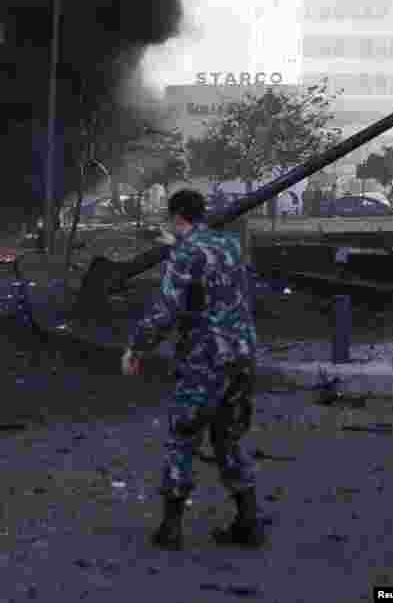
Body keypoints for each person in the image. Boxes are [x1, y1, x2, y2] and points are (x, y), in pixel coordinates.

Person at [120, 188, 266, 551]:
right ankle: (249, 521)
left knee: (183, 438)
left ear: (177, 217)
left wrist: (137, 347)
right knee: (228, 438)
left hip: (204, 360)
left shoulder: (184, 253)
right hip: (241, 356)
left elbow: (165, 311)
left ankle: (171, 528)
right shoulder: (231, 246)